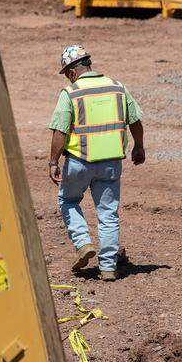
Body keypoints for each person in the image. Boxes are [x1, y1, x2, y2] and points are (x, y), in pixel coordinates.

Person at [47, 45, 146, 281]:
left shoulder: (70, 93)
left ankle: (83, 243)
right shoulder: (117, 87)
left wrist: (53, 161)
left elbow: (60, 131)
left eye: (67, 74)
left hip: (79, 161)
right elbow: (135, 120)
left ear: (72, 72)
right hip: (111, 162)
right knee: (108, 213)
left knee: (68, 200)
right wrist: (139, 146)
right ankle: (108, 267)